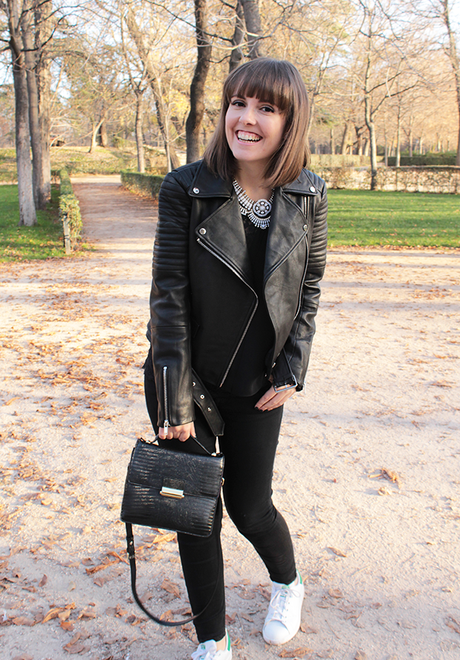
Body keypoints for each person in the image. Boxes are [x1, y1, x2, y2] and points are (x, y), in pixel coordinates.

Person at [144, 58, 327, 660]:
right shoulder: (186, 188)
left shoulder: (307, 193)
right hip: (188, 381)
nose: (245, 120)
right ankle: (212, 642)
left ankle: (287, 583)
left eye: (266, 108)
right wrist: (172, 394)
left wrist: (293, 366)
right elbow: (168, 297)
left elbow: (309, 288)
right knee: (197, 515)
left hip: (259, 382)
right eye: (237, 104)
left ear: (289, 120)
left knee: (250, 507)